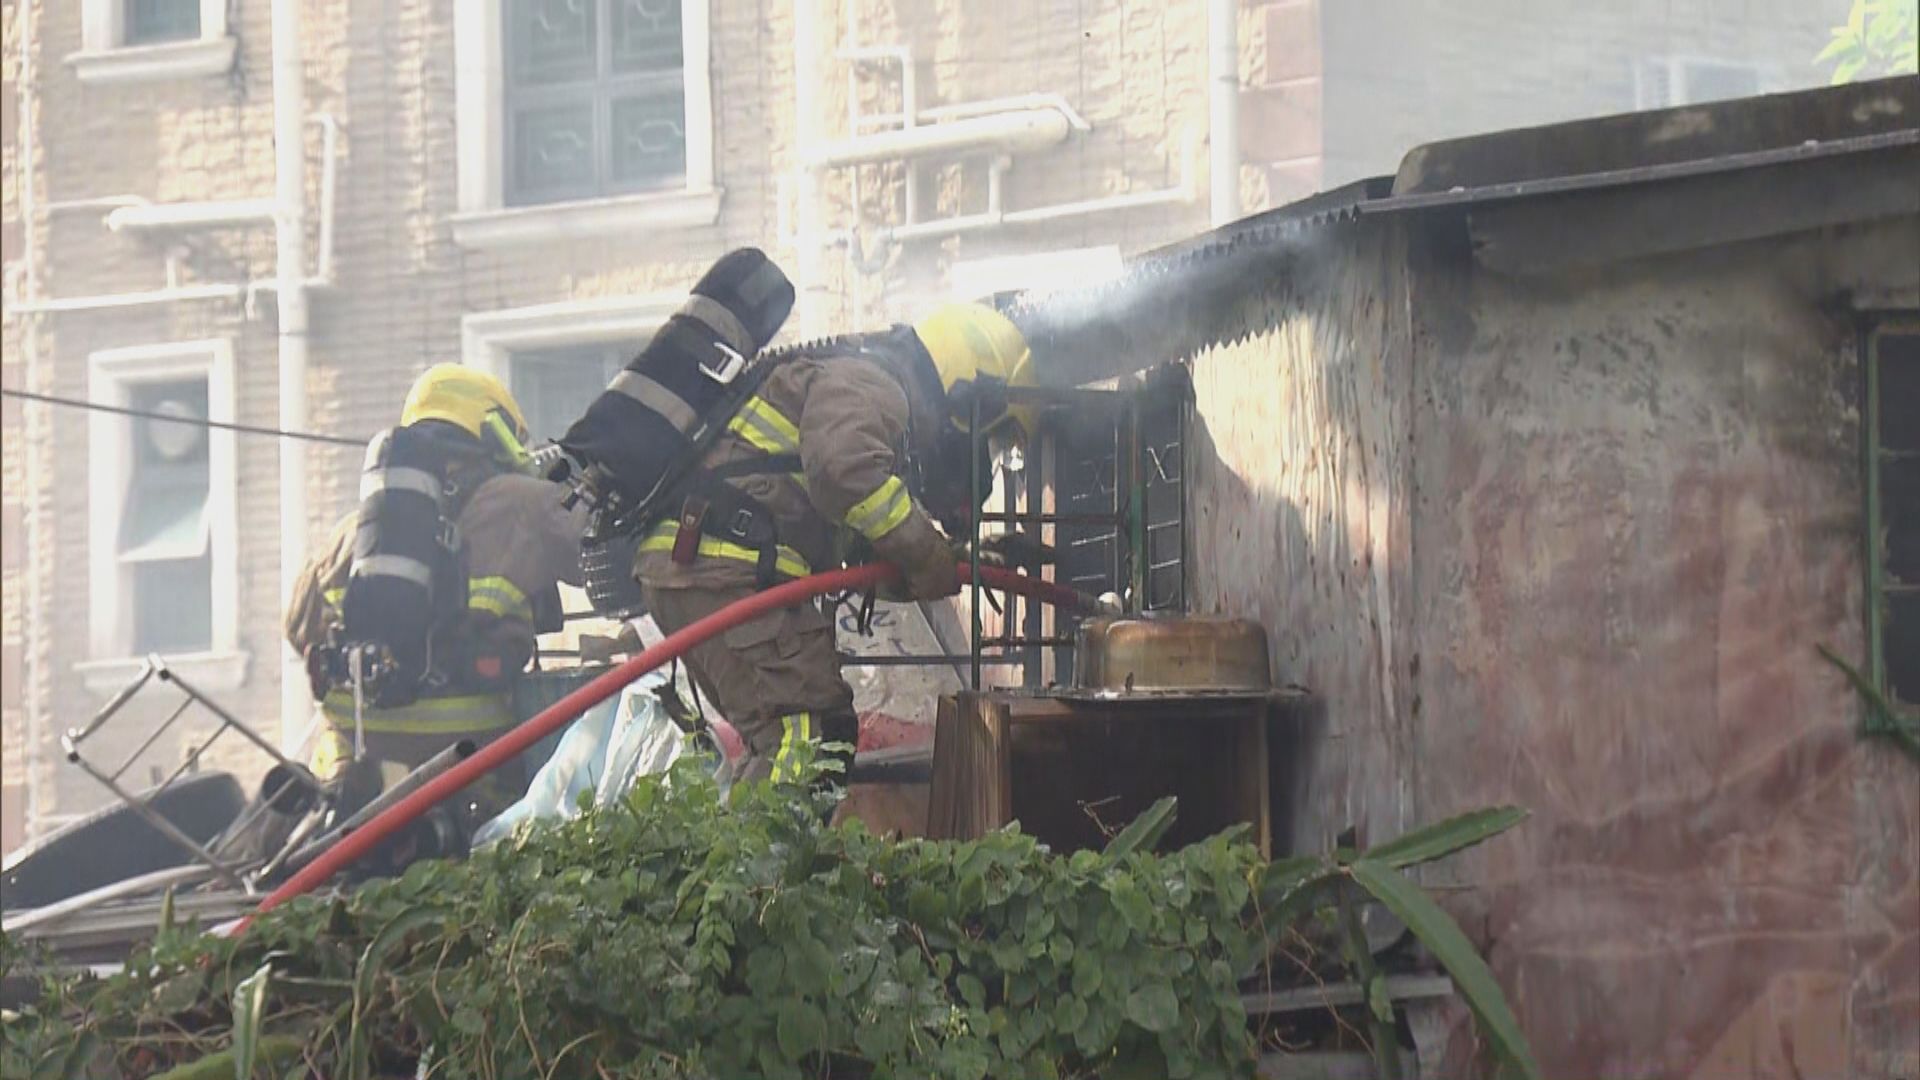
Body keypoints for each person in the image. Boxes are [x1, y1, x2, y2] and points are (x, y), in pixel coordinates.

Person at [635, 302, 1038, 793]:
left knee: (791, 739)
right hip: (724, 568)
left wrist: (959, 559)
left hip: (703, 566)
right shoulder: (873, 383)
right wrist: (927, 554)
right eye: (989, 442)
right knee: (809, 739)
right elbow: (841, 473)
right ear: (966, 392)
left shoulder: (868, 396)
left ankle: (743, 843)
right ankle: (764, 846)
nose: (980, 467)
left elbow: (865, 556)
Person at [285, 365, 589, 816]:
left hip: (364, 738)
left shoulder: (357, 530)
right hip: (473, 740)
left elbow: (296, 627)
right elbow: (603, 554)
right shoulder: (522, 500)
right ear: (494, 428)